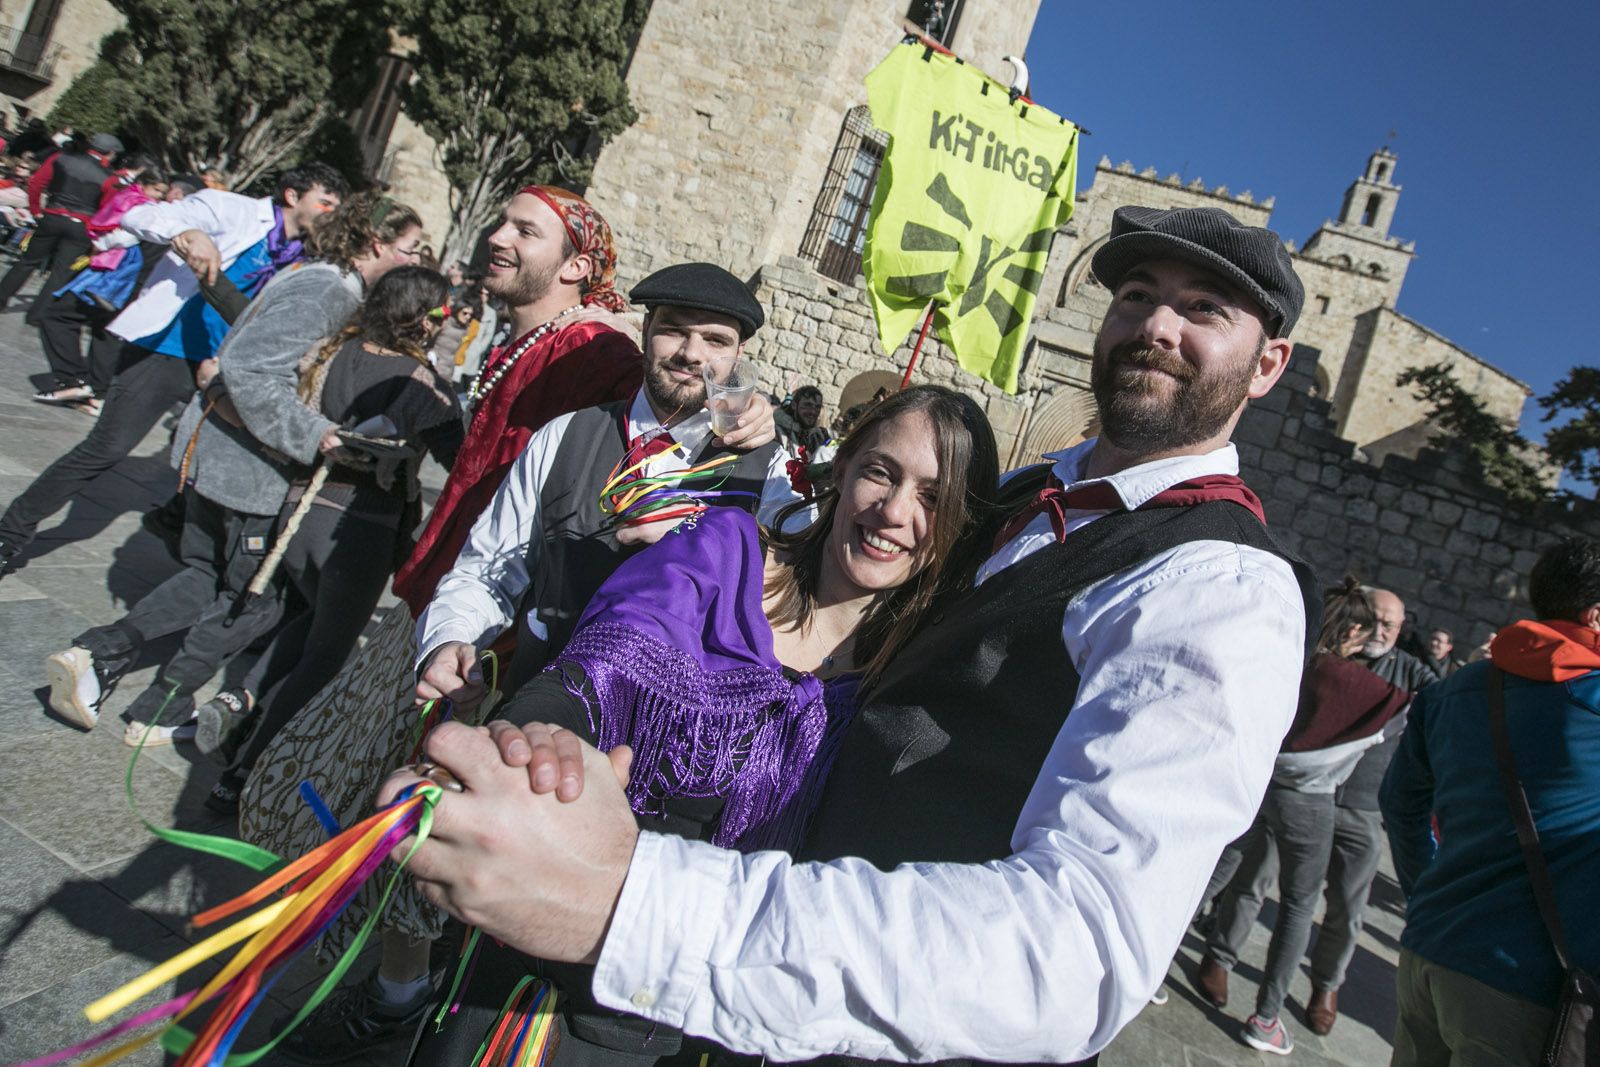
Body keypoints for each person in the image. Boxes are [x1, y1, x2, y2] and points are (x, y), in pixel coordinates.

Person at [381, 204, 1323, 1064]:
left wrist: (632, 900)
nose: (1157, 325)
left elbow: (1074, 950)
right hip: (748, 1008)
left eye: (1205, 309)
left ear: (1269, 364)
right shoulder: (1024, 501)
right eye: (1137, 294)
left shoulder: (1221, 589)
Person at [253, 259, 789, 1062]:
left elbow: (786, 594)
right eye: (675, 330)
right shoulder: (566, 436)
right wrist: (452, 638)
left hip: (659, 757)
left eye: (716, 340)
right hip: (538, 715)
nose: (692, 353)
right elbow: (489, 566)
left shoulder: (759, 468)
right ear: (645, 332)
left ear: (738, 354)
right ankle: (403, 1000)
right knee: (440, 872)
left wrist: (710, 522)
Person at [408, 384, 999, 1066]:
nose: (894, 511)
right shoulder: (720, 557)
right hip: (544, 1000)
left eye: (933, 497)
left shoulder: (912, 689)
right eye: (880, 471)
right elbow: (588, 680)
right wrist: (525, 744)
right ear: (842, 468)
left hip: (721, 1031)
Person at [42, 194, 420, 748]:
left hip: (223, 459)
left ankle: (97, 658)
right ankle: (156, 705)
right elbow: (252, 369)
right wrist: (317, 434)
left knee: (208, 577)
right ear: (376, 243)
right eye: (410, 249)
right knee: (252, 601)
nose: (414, 260)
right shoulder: (330, 289)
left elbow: (247, 350)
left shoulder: (317, 275)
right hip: (247, 472)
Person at [195, 265, 463, 803]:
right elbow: (460, 458)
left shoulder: (335, 351)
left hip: (297, 516)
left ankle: (239, 700)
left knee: (314, 621)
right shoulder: (418, 383)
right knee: (327, 655)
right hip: (357, 530)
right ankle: (244, 774)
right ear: (424, 319)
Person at [0, 162, 347, 573]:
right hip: (169, 349)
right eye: (324, 203)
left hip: (228, 363)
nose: (330, 213)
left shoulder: (305, 254)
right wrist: (188, 233)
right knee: (107, 448)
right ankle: (11, 532)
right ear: (292, 196)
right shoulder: (229, 209)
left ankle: (172, 517)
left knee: (226, 449)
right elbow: (138, 215)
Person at [1381, 537, 1600, 1066]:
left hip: (1429, 946)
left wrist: (1427, 890)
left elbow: (1400, 805)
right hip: (1524, 983)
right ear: (1595, 615)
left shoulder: (1451, 691)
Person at [1195, 579, 1410, 1054]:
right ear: (1352, 629)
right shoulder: (1355, 681)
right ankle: (1266, 1018)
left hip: (1260, 785)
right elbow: (1409, 710)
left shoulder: (1293, 657)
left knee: (1219, 872)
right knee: (1297, 905)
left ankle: (1153, 965)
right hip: (1309, 803)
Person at [1294, 585, 1439, 1035]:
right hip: (1306, 796)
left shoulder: (1410, 671)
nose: (1380, 631)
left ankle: (1326, 985)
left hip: (1362, 807)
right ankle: (1221, 956)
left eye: (1391, 625)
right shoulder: (1335, 651)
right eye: (1374, 620)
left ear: (1402, 628)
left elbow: (1440, 704)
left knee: (1348, 907)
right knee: (1260, 881)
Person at [30, 163, 173, 405]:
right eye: (157, 190)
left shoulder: (143, 208)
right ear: (143, 184)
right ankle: (96, 390)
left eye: (162, 192)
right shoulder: (147, 207)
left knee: (58, 317)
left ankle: (74, 379)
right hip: (125, 280)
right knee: (104, 330)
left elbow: (124, 236)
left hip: (113, 277)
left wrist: (101, 244)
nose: (159, 196)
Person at [0, 131, 120, 314]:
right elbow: (106, 209)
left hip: (52, 214)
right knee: (61, 272)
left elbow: (36, 183)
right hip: (81, 225)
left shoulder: (61, 158)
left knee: (27, 261)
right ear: (110, 153)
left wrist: (35, 210)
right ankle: (37, 315)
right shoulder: (110, 177)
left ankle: (2, 298)